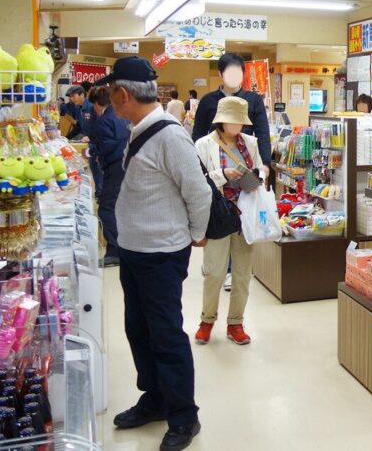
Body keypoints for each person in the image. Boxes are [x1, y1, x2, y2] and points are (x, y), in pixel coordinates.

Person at [96, 56, 211, 451]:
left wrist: (196, 235)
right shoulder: (137, 129)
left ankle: (184, 415)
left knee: (164, 334)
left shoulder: (170, 136)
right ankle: (156, 398)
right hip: (134, 251)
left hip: (161, 254)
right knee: (138, 330)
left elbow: (198, 192)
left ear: (123, 95)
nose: (111, 100)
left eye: (112, 94)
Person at [193, 97, 263, 347]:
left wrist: (255, 178)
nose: (238, 127)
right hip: (218, 214)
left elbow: (261, 169)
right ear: (222, 120)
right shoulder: (204, 145)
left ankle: (236, 323)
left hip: (245, 213)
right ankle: (206, 320)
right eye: (233, 121)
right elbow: (198, 180)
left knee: (243, 274)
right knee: (214, 272)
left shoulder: (250, 143)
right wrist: (223, 175)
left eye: (241, 122)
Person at [192, 53, 271, 183]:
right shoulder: (208, 101)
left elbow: (262, 132)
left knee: (249, 192)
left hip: (246, 157)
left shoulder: (254, 99)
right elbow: (198, 134)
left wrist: (265, 164)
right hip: (215, 159)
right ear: (220, 73)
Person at [88, 86, 130, 267]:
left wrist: (92, 152)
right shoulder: (122, 115)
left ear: (98, 104)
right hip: (128, 165)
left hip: (114, 167)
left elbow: (106, 146)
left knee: (106, 207)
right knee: (120, 206)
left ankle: (114, 250)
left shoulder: (104, 120)